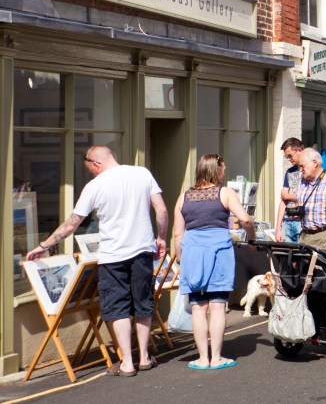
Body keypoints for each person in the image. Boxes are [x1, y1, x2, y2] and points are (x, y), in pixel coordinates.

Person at [26, 146, 168, 376]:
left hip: (112, 256)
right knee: (143, 303)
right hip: (142, 251)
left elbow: (72, 224)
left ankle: (127, 363)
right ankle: (143, 357)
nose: (91, 173)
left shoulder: (95, 186)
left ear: (96, 163)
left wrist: (44, 246)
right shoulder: (142, 173)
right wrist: (161, 238)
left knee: (118, 308)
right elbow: (161, 211)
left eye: (90, 169)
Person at [173, 154, 255, 370]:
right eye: (223, 168)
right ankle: (217, 357)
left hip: (192, 254)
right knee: (217, 306)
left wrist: (181, 260)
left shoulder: (184, 197)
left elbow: (177, 234)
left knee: (198, 308)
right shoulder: (225, 193)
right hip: (218, 252)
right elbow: (245, 219)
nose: (224, 171)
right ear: (216, 170)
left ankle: (202, 358)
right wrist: (253, 237)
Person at [274, 137, 304, 243]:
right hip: (287, 222)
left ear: (299, 150)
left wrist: (288, 196)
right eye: (286, 156)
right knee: (286, 257)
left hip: (302, 223)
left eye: (290, 155)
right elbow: (283, 201)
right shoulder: (289, 172)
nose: (289, 159)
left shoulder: (309, 171)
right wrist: (278, 229)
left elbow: (310, 198)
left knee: (303, 258)